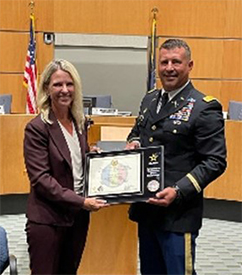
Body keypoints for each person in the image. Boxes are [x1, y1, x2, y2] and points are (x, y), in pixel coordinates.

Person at [126, 39, 227, 275]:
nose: (169, 67)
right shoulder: (150, 100)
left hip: (178, 215)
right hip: (147, 209)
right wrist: (133, 143)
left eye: (176, 62)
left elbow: (215, 161)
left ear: (189, 65)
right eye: (164, 62)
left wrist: (178, 190)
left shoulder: (204, 107)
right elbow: (138, 132)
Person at [24, 59, 108, 275]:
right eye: (57, 85)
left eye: (69, 84)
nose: (64, 90)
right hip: (48, 220)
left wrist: (92, 158)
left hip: (77, 217)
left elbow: (73, 161)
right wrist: (81, 201)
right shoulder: (37, 128)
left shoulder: (79, 122)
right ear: (46, 89)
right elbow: (41, 180)